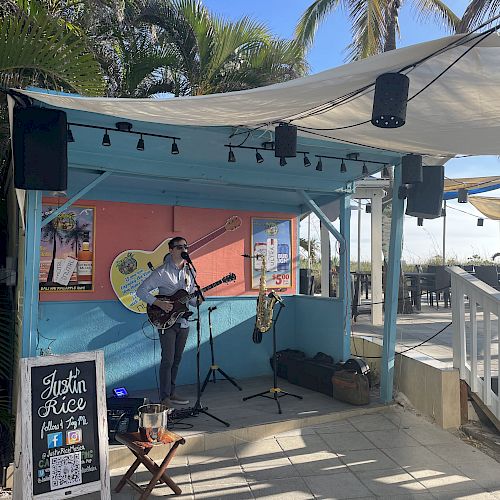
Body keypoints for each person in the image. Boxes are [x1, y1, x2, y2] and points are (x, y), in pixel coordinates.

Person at [137, 236, 201, 407]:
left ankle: (172, 393)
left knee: (177, 359)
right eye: (179, 247)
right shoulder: (161, 272)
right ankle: (164, 397)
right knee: (168, 360)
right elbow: (141, 291)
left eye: (185, 247)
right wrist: (158, 303)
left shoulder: (190, 272)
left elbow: (191, 299)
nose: (183, 250)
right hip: (166, 321)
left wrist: (198, 299)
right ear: (171, 250)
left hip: (184, 322)